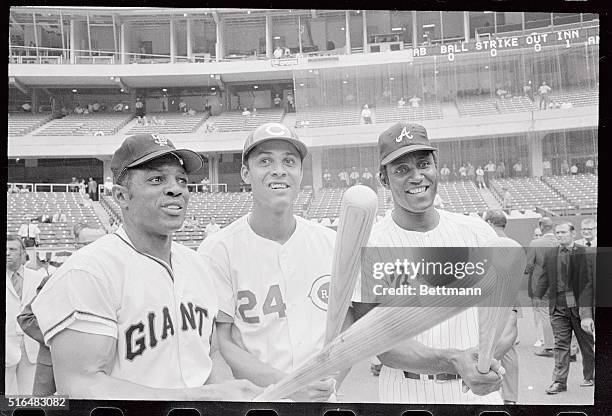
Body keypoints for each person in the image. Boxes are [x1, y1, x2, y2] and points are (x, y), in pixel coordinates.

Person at [30, 133, 262, 400]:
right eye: (157, 179)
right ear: (122, 196)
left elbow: (209, 356)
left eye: (182, 180)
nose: (176, 188)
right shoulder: (89, 272)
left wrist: (228, 395)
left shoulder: (198, 266)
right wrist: (199, 397)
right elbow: (81, 385)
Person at [351, 122, 507, 404]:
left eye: (424, 164)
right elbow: (378, 343)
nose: (416, 176)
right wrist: (455, 361)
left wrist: (482, 362)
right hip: (406, 393)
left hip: (476, 391)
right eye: (401, 170)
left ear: (436, 168)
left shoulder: (477, 232)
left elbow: (508, 319)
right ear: (383, 179)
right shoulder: (370, 247)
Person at [197, 123, 343, 401]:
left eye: (289, 161)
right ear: (245, 173)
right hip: (261, 401)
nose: (279, 169)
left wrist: (329, 383)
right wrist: (290, 385)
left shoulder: (330, 243)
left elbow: (345, 324)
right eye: (265, 161)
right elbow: (221, 343)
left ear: (301, 172)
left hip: (324, 400)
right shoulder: (218, 250)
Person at [17, 224, 109, 396]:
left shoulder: (117, 282)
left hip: (102, 370)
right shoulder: (58, 277)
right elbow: (27, 318)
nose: (94, 249)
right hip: (53, 371)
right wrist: (63, 340)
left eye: (100, 243)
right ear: (76, 246)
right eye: (87, 243)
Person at [534, 222, 595, 394]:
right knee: (561, 344)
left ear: (573, 234)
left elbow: (587, 285)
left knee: (586, 344)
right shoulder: (551, 253)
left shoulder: (584, 252)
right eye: (557, 233)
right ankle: (559, 381)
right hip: (558, 305)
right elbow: (545, 277)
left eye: (563, 232)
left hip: (579, 305)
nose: (559, 235)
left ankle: (589, 375)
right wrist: (538, 296)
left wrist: (586, 315)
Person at [483, 210, 523, 405]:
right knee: (509, 346)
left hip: (495, 297)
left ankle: (498, 392)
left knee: (493, 344)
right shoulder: (512, 242)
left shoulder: (490, 242)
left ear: (489, 222)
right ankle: (509, 396)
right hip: (511, 296)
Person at [6, 236, 46, 395]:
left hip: (31, 347)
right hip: (6, 345)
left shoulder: (38, 278)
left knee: (29, 396)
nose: (7, 253)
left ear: (23, 253)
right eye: (5, 249)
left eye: (12, 249)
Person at [525, 217, 557, 355]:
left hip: (541, 285)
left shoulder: (535, 243)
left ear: (541, 227)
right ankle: (566, 345)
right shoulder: (559, 241)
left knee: (545, 315)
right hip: (560, 283)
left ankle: (549, 346)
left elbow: (529, 265)